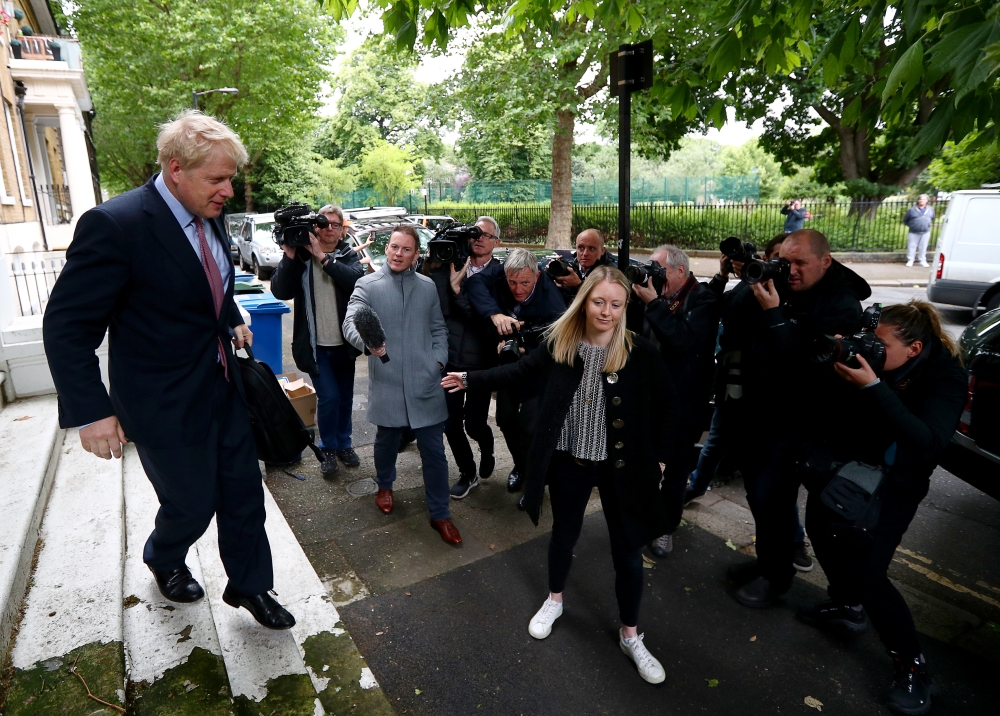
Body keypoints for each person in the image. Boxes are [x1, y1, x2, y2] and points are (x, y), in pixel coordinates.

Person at [42, 110, 294, 629]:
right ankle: (163, 554)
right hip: (161, 402)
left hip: (223, 388)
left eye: (230, 178)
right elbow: (67, 325)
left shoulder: (210, 210)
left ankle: (251, 587)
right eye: (217, 178)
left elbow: (206, 282)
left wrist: (229, 319)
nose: (227, 190)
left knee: (245, 493)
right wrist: (91, 411)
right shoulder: (116, 224)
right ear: (175, 168)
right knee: (193, 502)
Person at [442, 266, 679, 684]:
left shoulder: (638, 351)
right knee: (563, 535)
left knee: (627, 550)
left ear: (625, 308)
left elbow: (668, 407)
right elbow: (517, 373)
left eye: (616, 304)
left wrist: (660, 459)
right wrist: (469, 378)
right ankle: (555, 600)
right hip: (570, 462)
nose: (606, 311)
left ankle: (631, 635)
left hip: (620, 467)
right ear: (584, 300)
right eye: (598, 301)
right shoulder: (560, 343)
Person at [797, 301, 966, 715]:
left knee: (870, 572)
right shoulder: (869, 356)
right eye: (871, 339)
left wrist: (874, 387)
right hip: (851, 467)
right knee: (820, 527)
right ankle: (846, 604)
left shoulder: (945, 375)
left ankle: (912, 666)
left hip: (898, 483)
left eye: (882, 344)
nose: (873, 348)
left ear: (913, 349)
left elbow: (928, 444)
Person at [731, 229, 871, 608]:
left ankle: (777, 576)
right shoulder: (784, 283)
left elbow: (806, 369)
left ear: (825, 261)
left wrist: (775, 315)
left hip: (800, 422)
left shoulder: (842, 305)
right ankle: (767, 564)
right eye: (785, 261)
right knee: (757, 495)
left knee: (771, 497)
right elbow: (731, 315)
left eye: (799, 263)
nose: (790, 270)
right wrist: (756, 276)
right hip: (760, 412)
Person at [689, 235, 814, 572]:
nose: (776, 267)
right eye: (771, 259)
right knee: (718, 442)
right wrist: (728, 276)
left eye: (783, 263)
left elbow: (793, 352)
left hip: (766, 399)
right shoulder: (753, 285)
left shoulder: (791, 298)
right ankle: (695, 487)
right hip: (734, 383)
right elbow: (717, 308)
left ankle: (793, 542)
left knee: (774, 482)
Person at [341, 225, 462, 545]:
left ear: (416, 254)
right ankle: (384, 484)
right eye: (394, 247)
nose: (398, 253)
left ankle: (440, 514)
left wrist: (437, 361)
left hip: (426, 381)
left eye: (406, 249)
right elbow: (351, 323)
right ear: (387, 248)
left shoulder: (427, 286)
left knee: (435, 452)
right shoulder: (367, 284)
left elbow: (438, 329)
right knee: (386, 442)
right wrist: (369, 345)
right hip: (389, 379)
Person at [631, 245, 718, 558]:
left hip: (683, 405)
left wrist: (653, 303)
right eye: (651, 267)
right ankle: (643, 517)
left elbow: (683, 342)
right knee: (644, 463)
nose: (654, 275)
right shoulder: (651, 295)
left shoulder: (703, 299)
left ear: (680, 270)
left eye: (660, 269)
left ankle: (665, 528)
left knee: (675, 472)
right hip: (648, 399)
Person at [464, 248, 568, 496]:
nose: (518, 289)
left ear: (537, 277)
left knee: (531, 427)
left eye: (525, 283)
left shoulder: (552, 301)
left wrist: (524, 348)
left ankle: (536, 480)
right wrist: (494, 314)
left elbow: (557, 346)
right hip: (509, 366)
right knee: (505, 418)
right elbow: (475, 282)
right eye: (512, 282)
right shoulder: (502, 274)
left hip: (539, 367)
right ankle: (520, 466)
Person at [270, 205, 365, 476]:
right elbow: (280, 290)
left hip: (344, 344)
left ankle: (344, 444)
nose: (330, 229)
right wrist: (289, 256)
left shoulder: (346, 254)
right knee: (330, 397)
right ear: (315, 227)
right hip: (316, 346)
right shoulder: (300, 257)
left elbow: (355, 281)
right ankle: (328, 448)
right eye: (324, 224)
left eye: (335, 224)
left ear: (342, 228)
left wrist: (323, 257)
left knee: (345, 397)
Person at [423, 216, 502, 498]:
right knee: (450, 423)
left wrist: (459, 291)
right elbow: (439, 311)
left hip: (481, 364)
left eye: (486, 235)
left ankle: (487, 445)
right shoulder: (449, 264)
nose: (479, 239)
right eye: (475, 234)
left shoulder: (500, 275)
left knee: (475, 423)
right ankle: (467, 472)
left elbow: (488, 321)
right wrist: (439, 269)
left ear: (497, 242)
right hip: (451, 359)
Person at [550, 228, 618, 302]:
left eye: (591, 248)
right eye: (581, 248)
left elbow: (604, 301)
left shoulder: (610, 273)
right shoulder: (572, 266)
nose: (585, 253)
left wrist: (578, 285)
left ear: (602, 251)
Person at [903, 195, 935, 268]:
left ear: (927, 201)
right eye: (920, 199)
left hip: (925, 231)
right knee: (911, 246)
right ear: (918, 200)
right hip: (913, 231)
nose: (922, 201)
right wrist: (912, 225)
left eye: (924, 199)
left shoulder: (930, 209)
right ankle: (910, 260)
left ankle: (922, 261)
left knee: (923, 247)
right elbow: (905, 220)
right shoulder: (912, 210)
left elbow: (932, 218)